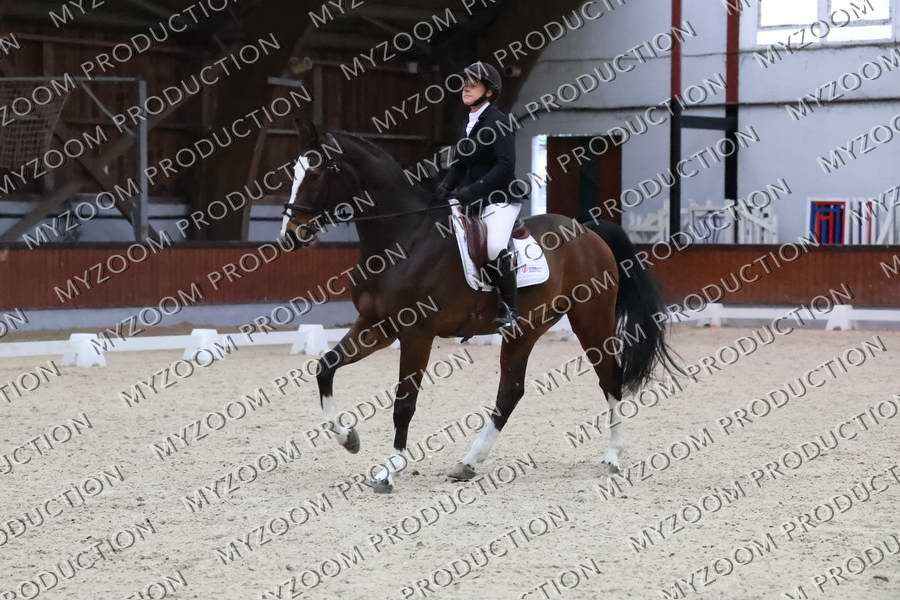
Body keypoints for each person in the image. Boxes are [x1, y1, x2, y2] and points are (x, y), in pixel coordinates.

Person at [436, 61, 522, 333]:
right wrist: (443, 190)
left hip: (500, 199)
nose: (466, 87)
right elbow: (460, 165)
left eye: (474, 84)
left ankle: (510, 310)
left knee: (494, 246)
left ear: (489, 91)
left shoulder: (499, 121)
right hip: (472, 201)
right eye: (465, 83)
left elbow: (505, 166)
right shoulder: (467, 124)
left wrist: (470, 191)